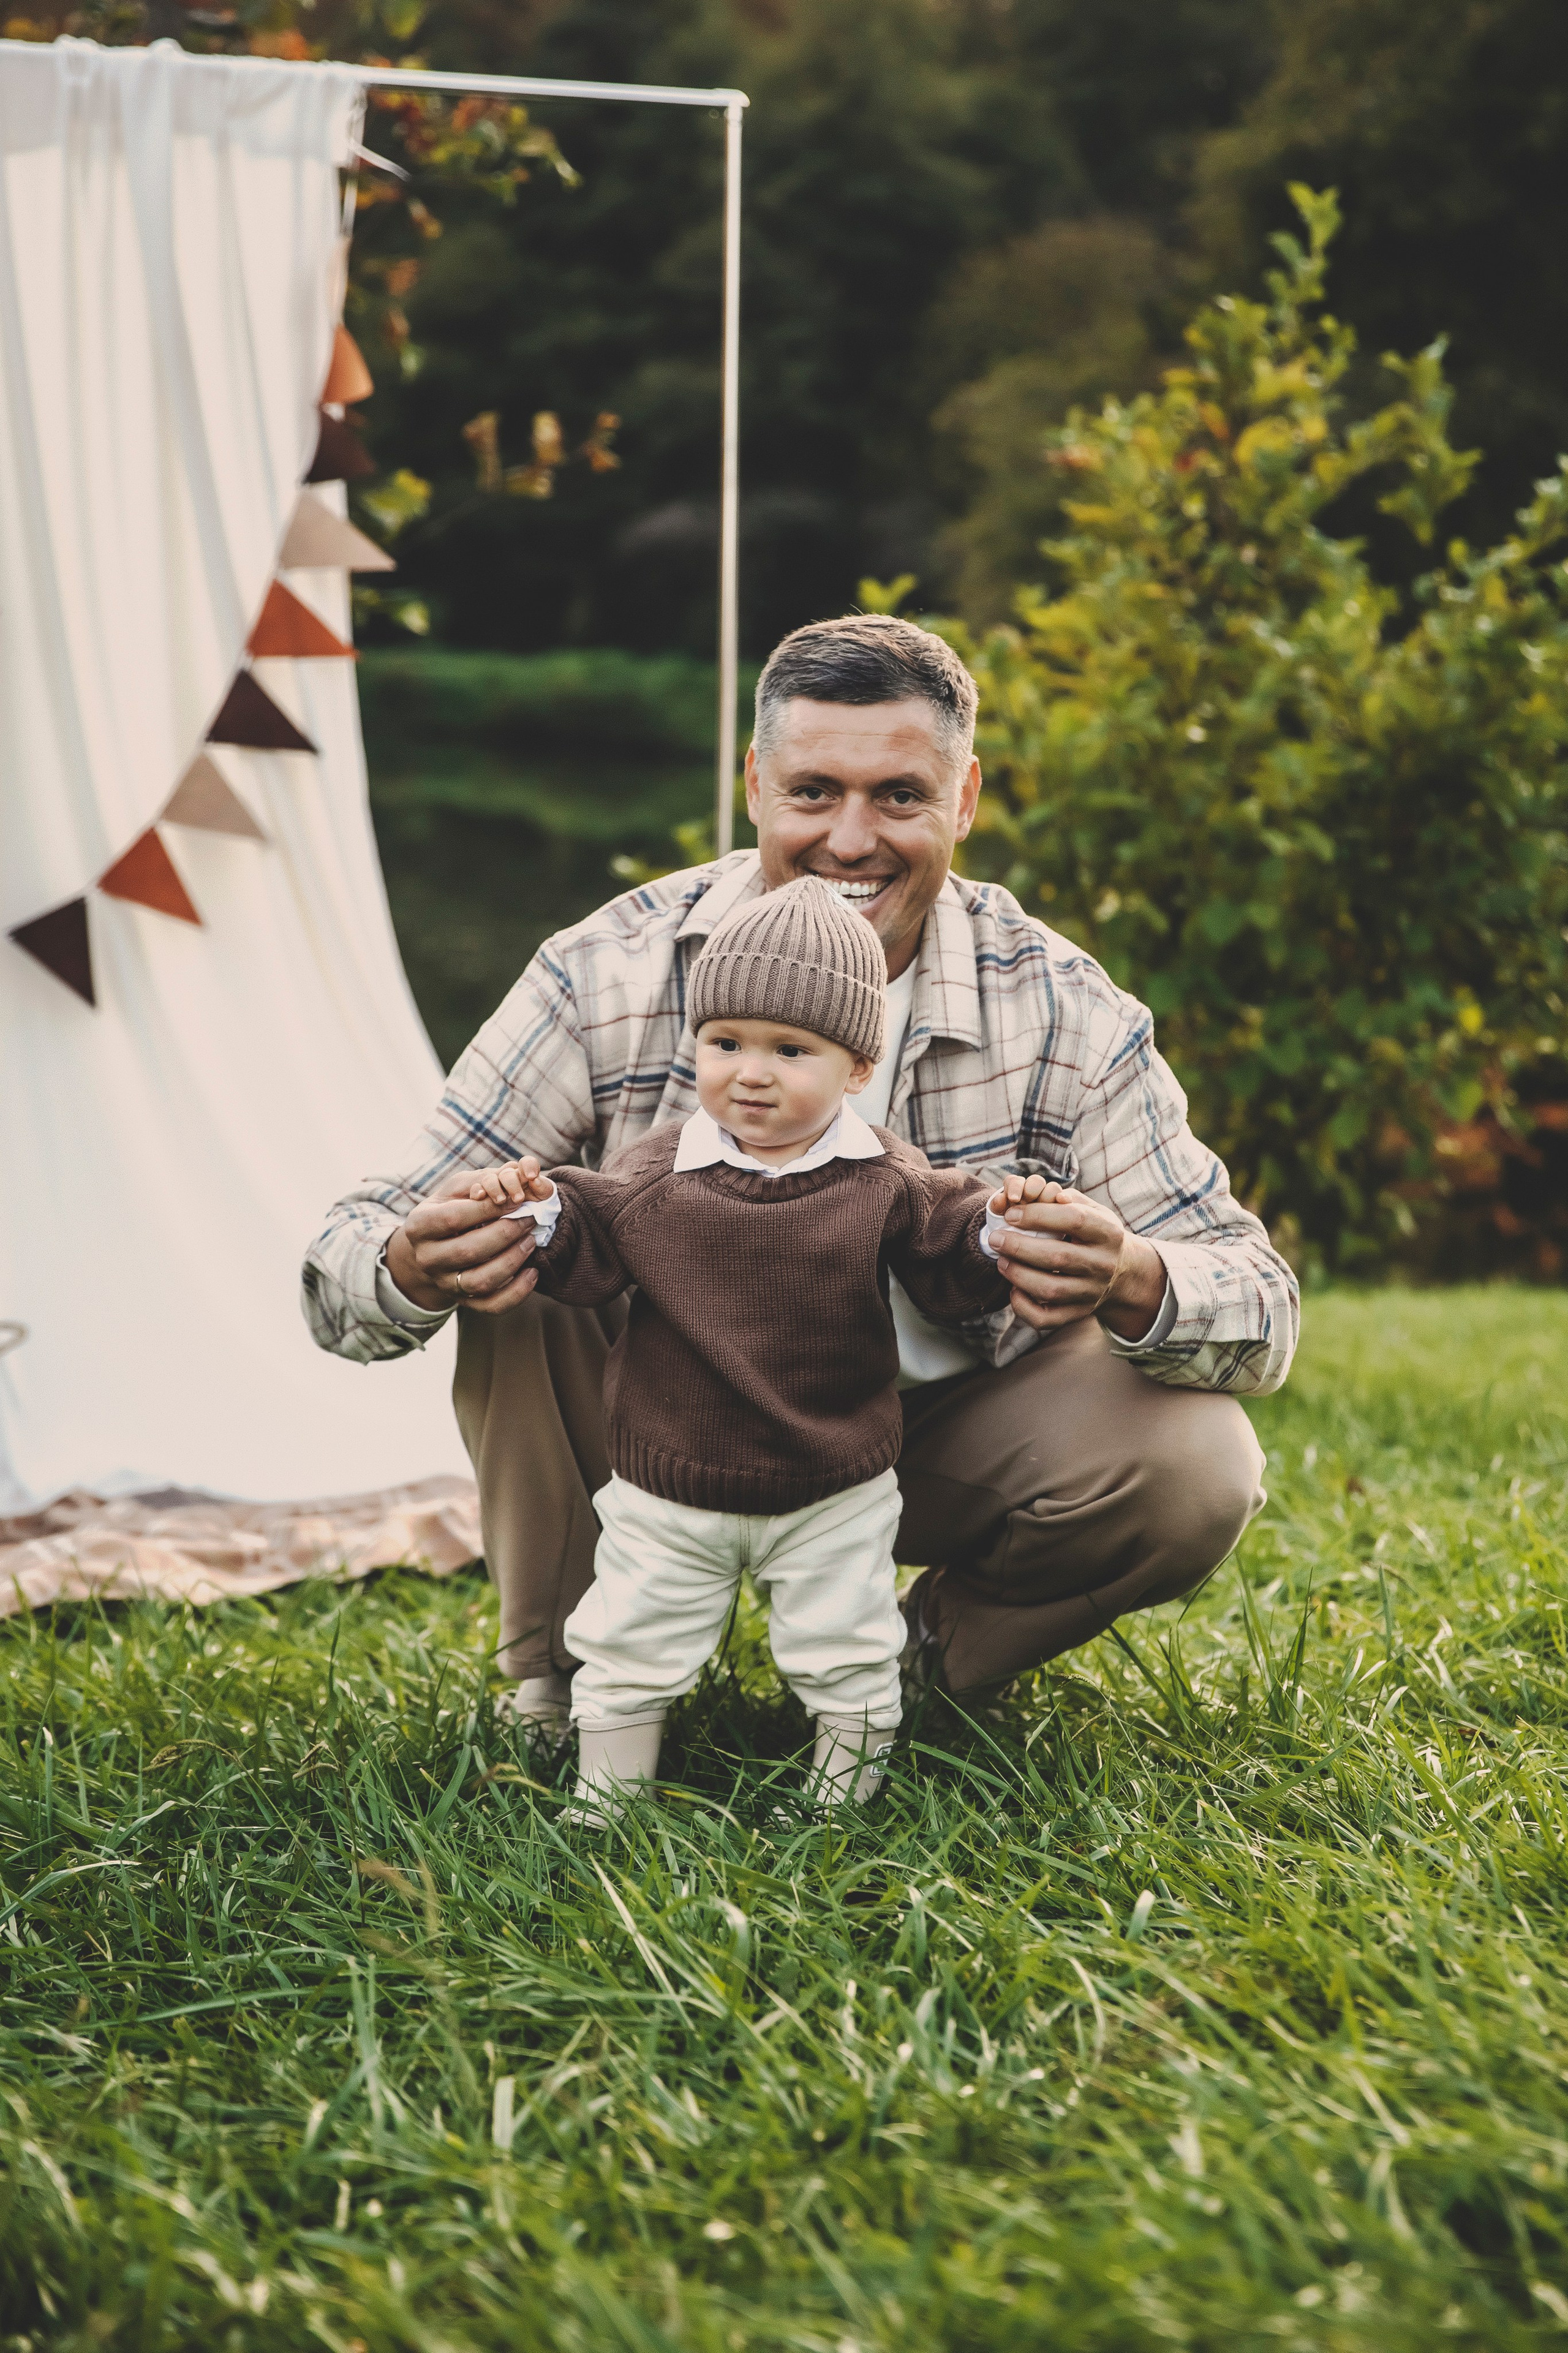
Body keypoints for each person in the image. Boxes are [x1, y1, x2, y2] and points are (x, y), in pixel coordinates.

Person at [303, 614, 1298, 1737]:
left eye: (901, 797)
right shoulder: (606, 969)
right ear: (755, 785)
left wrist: (1130, 1271)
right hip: (659, 1415)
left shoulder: (1064, 1005)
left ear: (964, 800)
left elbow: (1260, 1302)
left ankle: (916, 1677)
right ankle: (571, 1687)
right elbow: (352, 1254)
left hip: (924, 1437)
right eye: (815, 791)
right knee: (523, 1248)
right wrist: (412, 1260)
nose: (852, 838)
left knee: (1202, 1462)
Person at [467, 875, 1046, 1815]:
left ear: (858, 1068)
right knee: (628, 1642)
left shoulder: (881, 1175)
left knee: (846, 1644)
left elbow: (946, 1243)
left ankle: (836, 1799)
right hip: (671, 1478)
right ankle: (605, 1797)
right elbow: (593, 1239)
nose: (751, 1071)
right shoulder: (659, 1170)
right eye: (725, 1042)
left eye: (790, 1049)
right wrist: (537, 1214)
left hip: (831, 1481)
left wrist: (996, 1230)